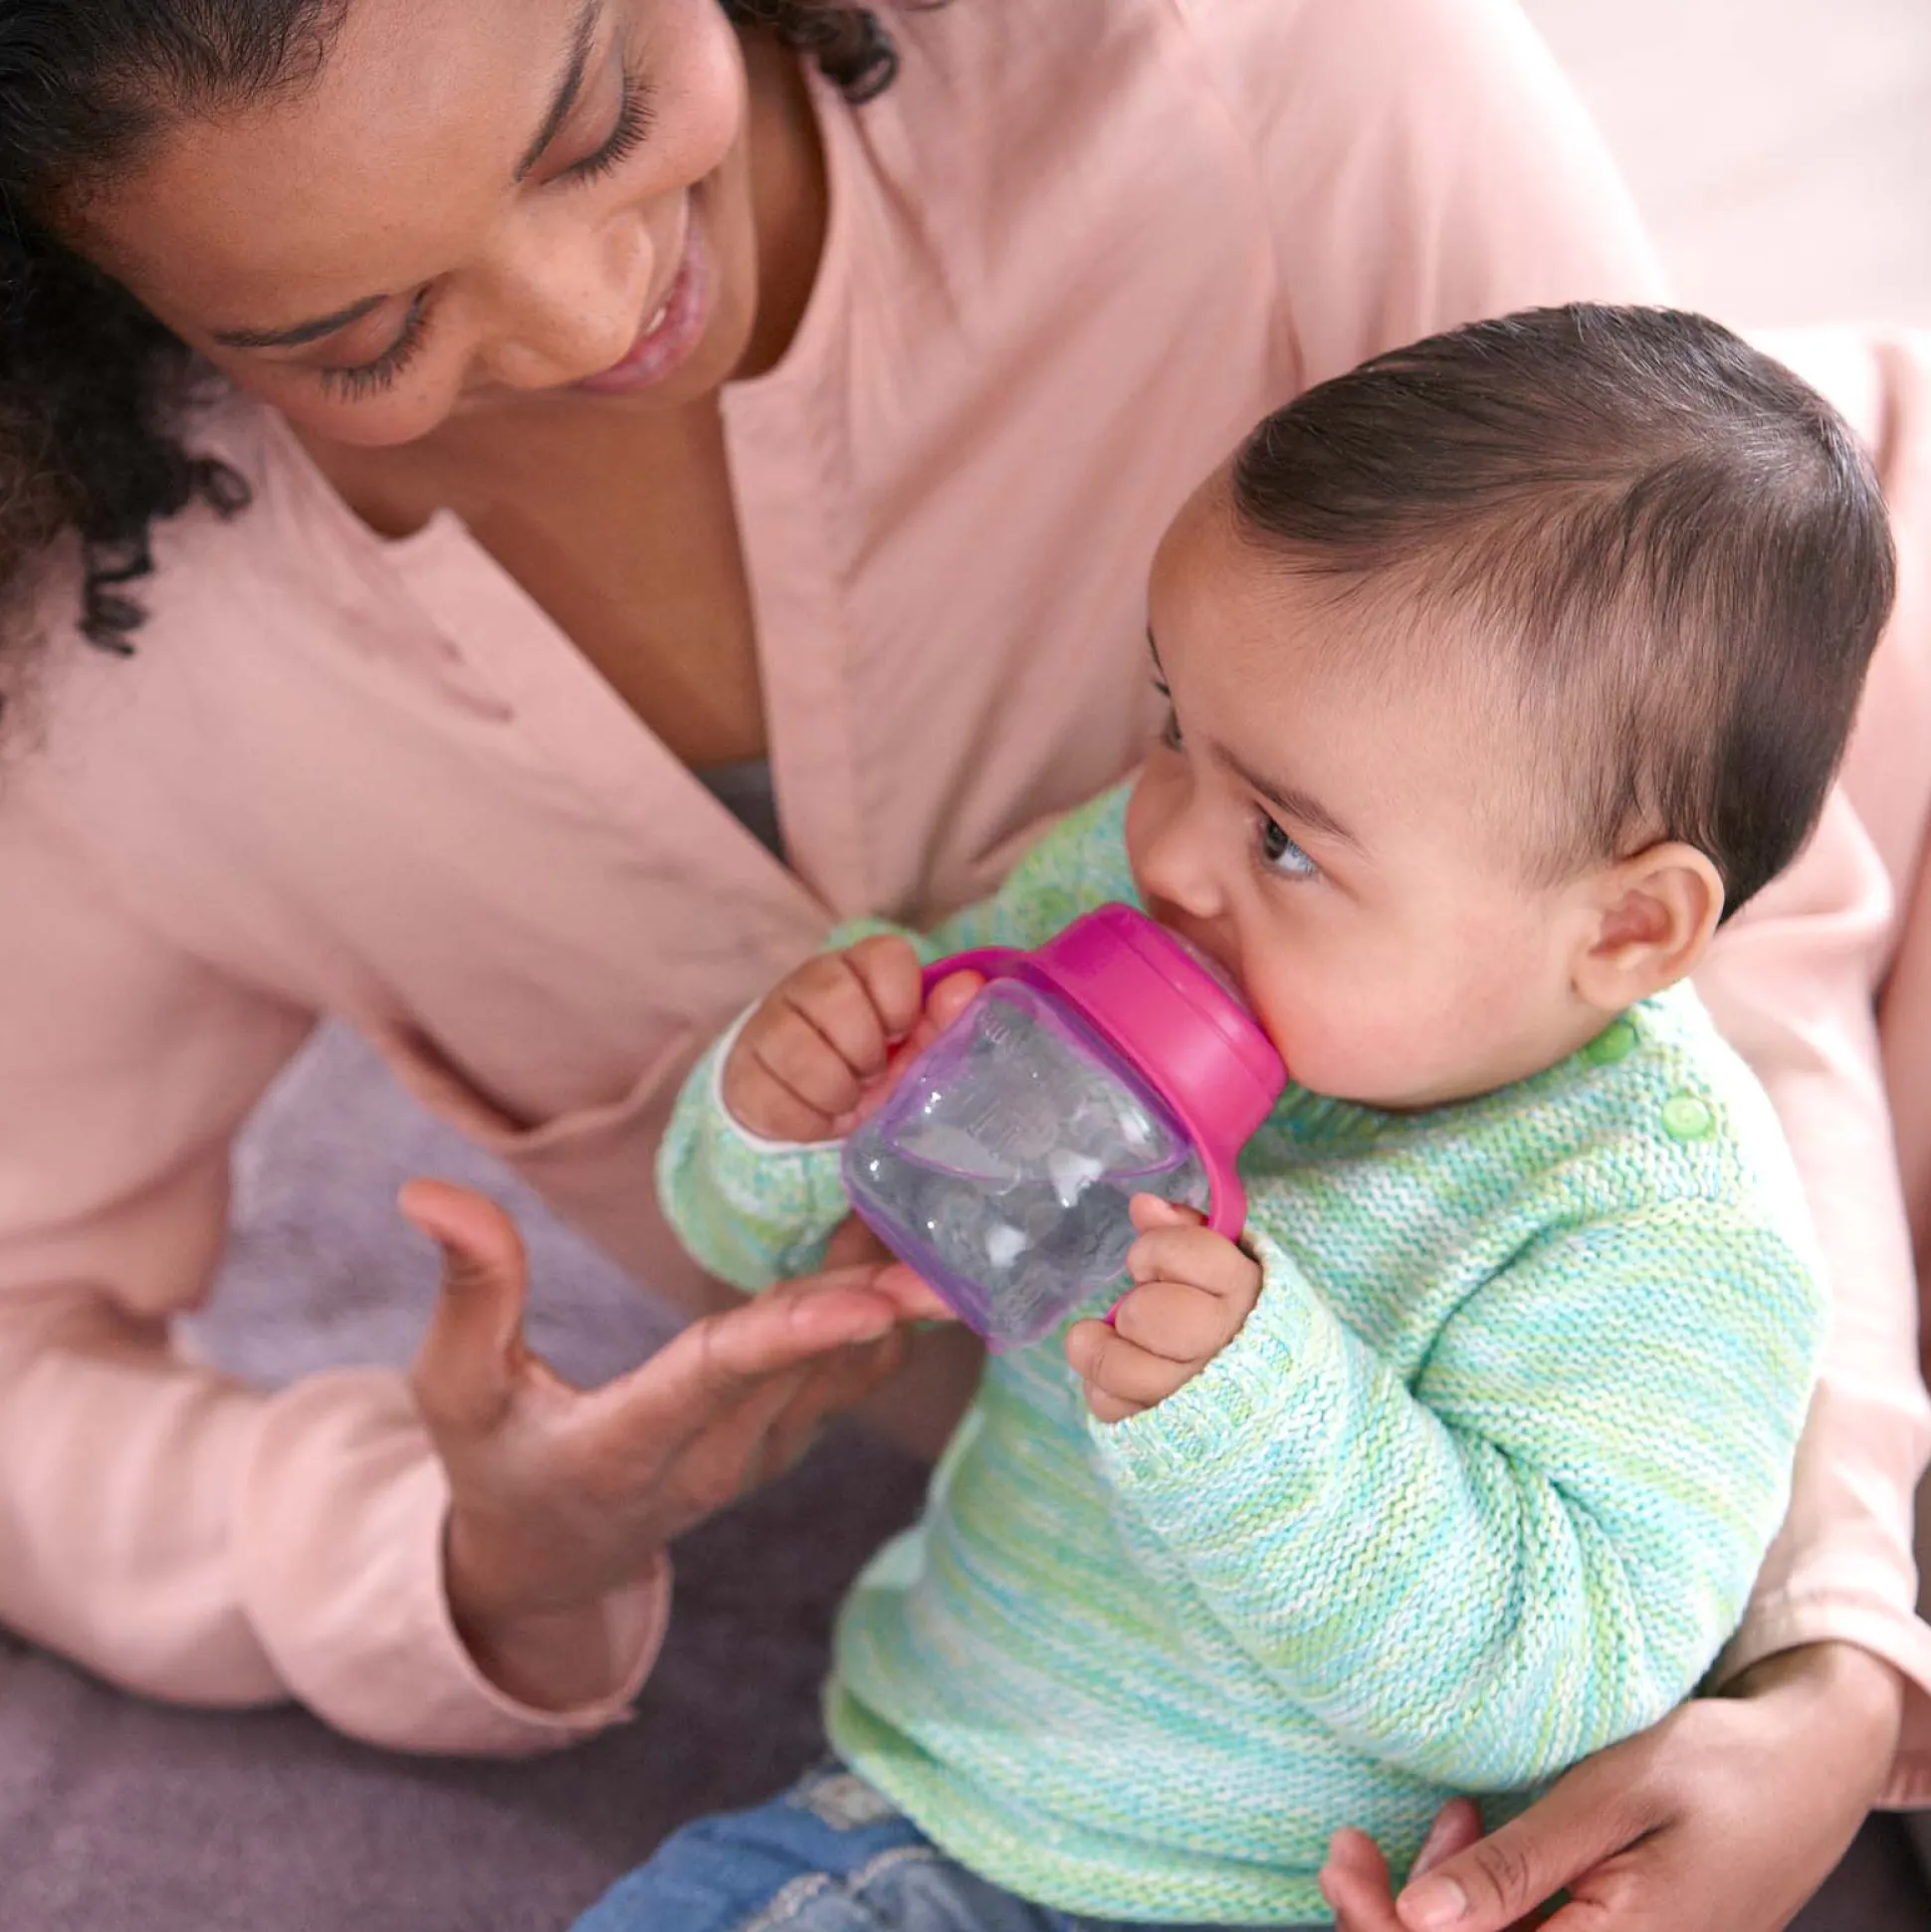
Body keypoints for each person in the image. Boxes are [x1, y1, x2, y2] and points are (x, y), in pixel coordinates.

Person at [0, 0, 1918, 1922]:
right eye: (361, 333)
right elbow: (832, 1188)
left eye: (597, 117)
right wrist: (498, 1529)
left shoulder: (1276, 80)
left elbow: (1732, 986)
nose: (588, 318)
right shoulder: (117, 678)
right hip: (949, 1794)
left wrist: (1836, 1663)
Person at [577, 305, 1871, 1930]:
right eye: (1177, 731)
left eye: (1285, 842)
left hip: (1325, 1897)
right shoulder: (1128, 909)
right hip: (951, 1823)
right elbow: (796, 1249)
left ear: (1624, 929)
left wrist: (1250, 1410)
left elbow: (1569, 1673)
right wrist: (792, 1110)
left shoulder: (1661, 1226)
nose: (1169, 850)